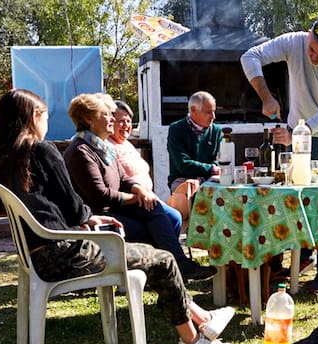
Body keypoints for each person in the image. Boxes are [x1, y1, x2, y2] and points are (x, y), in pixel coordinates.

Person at [0, 89, 235, 344]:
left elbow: (49, 207)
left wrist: (87, 217)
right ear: (34, 116)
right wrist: (85, 217)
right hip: (68, 252)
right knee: (163, 259)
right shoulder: (43, 151)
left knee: (154, 250)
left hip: (39, 253)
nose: (47, 122)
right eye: (44, 115)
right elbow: (72, 205)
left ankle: (203, 319)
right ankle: (192, 341)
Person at [241, 17, 318, 294]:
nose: (313, 57)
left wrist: (297, 134)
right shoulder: (294, 42)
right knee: (298, 193)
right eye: (311, 50)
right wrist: (266, 97)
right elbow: (250, 56)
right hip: (298, 128)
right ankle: (304, 255)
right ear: (307, 37)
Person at [63, 93, 214, 282]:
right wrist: (136, 198)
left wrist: (139, 190)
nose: (112, 119)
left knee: (163, 212)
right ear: (88, 119)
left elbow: (124, 177)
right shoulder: (80, 151)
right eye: (106, 114)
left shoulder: (102, 147)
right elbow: (100, 195)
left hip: (118, 207)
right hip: (100, 216)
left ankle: (172, 269)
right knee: (150, 225)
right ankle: (170, 270)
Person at [164, 91, 222, 221]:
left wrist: (207, 175)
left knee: (223, 193)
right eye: (208, 112)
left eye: (214, 111)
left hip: (209, 178)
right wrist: (210, 169)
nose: (213, 116)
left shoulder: (217, 131)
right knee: (190, 192)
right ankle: (189, 232)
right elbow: (182, 164)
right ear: (193, 110)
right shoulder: (176, 130)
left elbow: (220, 161)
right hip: (182, 178)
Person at [109, 99, 153, 192]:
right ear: (111, 122)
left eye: (128, 121)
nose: (126, 125)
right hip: (130, 201)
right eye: (121, 121)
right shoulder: (107, 147)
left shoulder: (127, 144)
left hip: (146, 197)